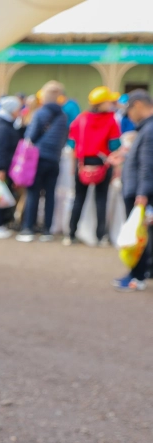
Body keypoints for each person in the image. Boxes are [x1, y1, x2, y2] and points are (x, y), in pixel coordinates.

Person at [65, 86, 121, 246]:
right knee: (101, 199)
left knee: (78, 199)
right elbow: (115, 145)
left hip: (82, 163)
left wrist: (73, 164)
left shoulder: (81, 119)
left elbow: (71, 143)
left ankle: (71, 234)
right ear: (102, 103)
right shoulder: (111, 120)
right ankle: (100, 236)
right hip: (103, 163)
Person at [17, 81, 69, 242]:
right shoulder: (63, 116)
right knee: (50, 195)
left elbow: (30, 137)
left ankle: (28, 228)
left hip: (38, 159)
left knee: (33, 194)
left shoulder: (40, 113)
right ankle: (47, 230)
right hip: (55, 159)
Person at [116, 90, 153, 291]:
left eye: (129, 109)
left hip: (139, 192)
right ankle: (139, 273)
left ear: (138, 105)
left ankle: (137, 276)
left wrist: (142, 193)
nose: (128, 114)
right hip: (140, 189)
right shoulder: (147, 128)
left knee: (137, 236)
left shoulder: (149, 129)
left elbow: (148, 164)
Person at [0, 96, 24, 239]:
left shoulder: (1, 122)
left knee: (1, 195)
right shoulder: (2, 126)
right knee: (0, 197)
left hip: (2, 165)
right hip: (1, 166)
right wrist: (0, 169)